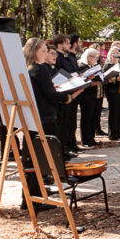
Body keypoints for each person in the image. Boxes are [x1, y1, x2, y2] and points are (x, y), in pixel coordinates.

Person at [23, 38, 82, 211]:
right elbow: (49, 95)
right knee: (39, 158)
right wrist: (68, 96)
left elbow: (44, 90)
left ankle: (33, 194)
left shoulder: (31, 69)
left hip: (36, 117)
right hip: (45, 117)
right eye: (44, 51)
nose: (47, 54)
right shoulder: (40, 69)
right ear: (35, 52)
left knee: (35, 158)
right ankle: (35, 199)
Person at [53, 34, 79, 158]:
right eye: (67, 43)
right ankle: (62, 149)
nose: (70, 45)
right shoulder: (57, 58)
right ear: (60, 45)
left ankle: (68, 146)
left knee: (69, 122)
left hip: (71, 92)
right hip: (62, 95)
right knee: (62, 124)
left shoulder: (68, 57)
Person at [78, 48, 103, 147]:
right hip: (86, 95)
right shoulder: (82, 66)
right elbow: (81, 81)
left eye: (97, 57)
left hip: (95, 94)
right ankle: (85, 140)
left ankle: (91, 138)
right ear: (88, 57)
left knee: (94, 117)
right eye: (95, 57)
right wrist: (90, 80)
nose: (96, 59)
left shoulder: (95, 66)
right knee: (86, 118)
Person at [103, 46, 120, 140]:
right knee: (114, 112)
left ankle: (118, 131)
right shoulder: (108, 65)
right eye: (114, 53)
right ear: (110, 54)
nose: (116, 54)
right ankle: (112, 133)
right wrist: (116, 79)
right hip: (112, 91)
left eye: (117, 53)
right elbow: (105, 79)